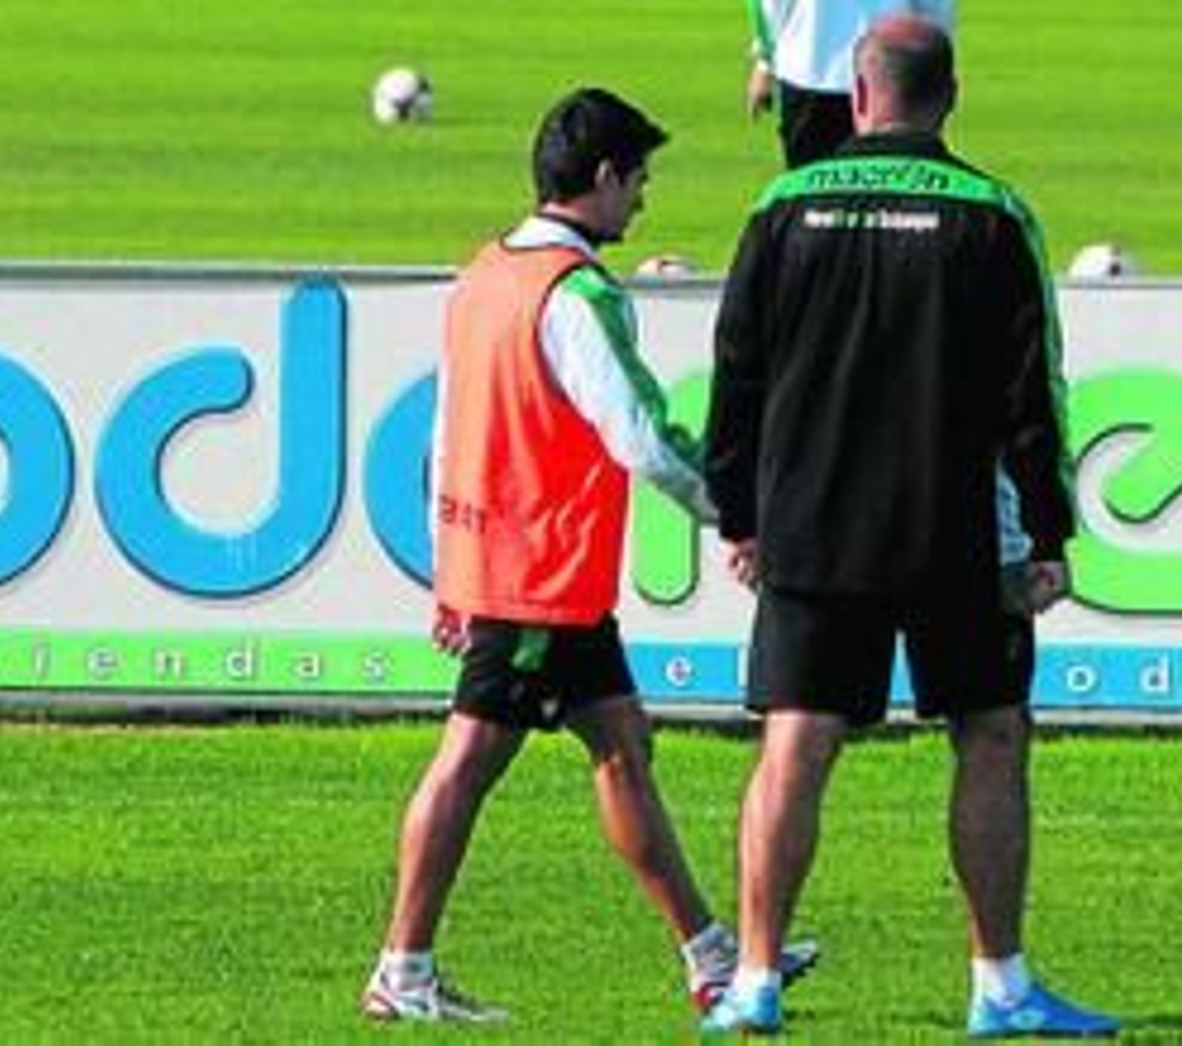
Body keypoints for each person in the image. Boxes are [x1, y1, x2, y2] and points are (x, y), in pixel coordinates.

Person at [702, 15, 1120, 1038]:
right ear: (952, 95)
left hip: (811, 523)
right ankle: (999, 982)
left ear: (855, 95)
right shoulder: (990, 213)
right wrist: (1051, 533)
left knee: (794, 742)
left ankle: (753, 979)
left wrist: (741, 513)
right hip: (952, 527)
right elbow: (1034, 392)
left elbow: (736, 374)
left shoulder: (781, 207)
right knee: (987, 733)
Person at [359, 86, 815, 1024]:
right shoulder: (576, 295)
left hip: (515, 567)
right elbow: (642, 436)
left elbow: (449, 435)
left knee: (622, 750)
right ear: (603, 179)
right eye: (637, 180)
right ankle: (401, 969)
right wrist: (736, 519)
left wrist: (452, 571)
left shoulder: (485, 274)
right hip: (539, 575)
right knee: (469, 761)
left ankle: (711, 955)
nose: (641, 201)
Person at [745, 0, 955, 168]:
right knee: (894, 195)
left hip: (811, 69)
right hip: (892, 72)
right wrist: (935, 64)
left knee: (812, 200)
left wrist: (765, 62)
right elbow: (936, 8)